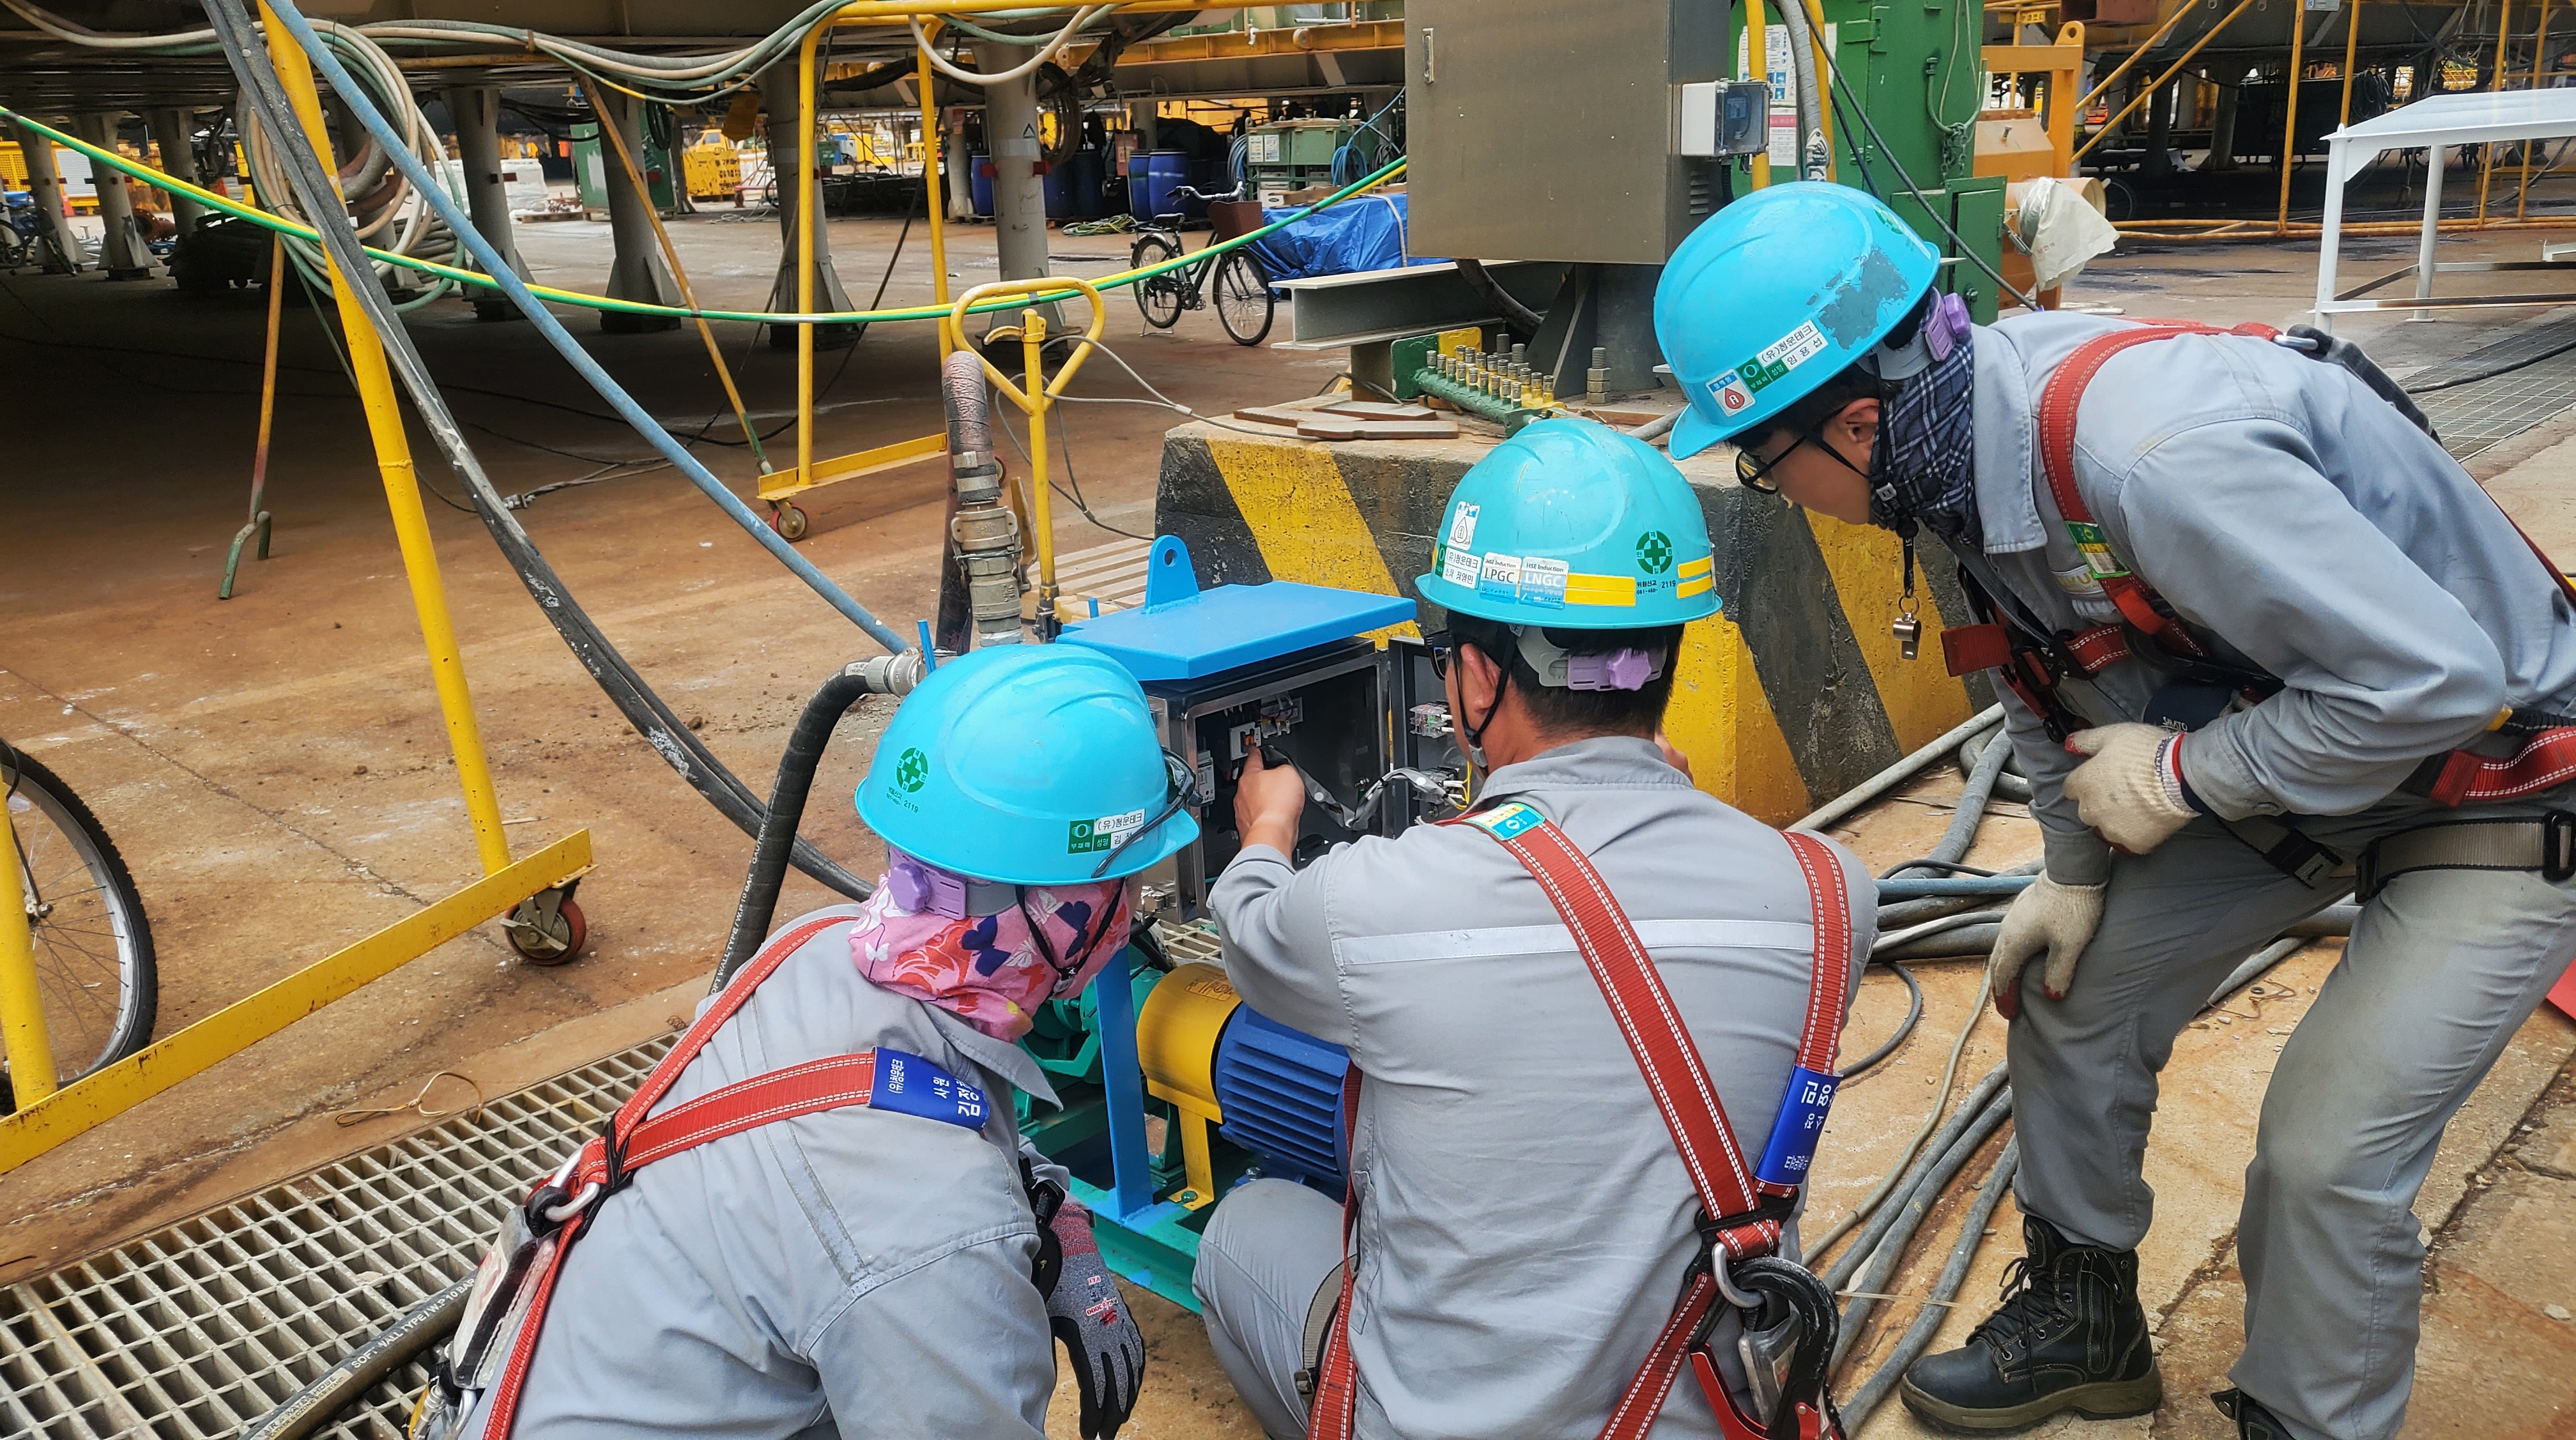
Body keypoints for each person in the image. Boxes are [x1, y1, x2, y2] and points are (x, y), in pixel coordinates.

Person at [1652, 181, 2576, 1440]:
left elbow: (2438, 683)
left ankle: (2307, 1420)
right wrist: (2075, 869)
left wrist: (2186, 781)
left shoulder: (2148, 455)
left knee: (2322, 1157)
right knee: (2064, 995)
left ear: (1854, 426)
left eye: (1765, 461)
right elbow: (2042, 676)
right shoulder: (1955, 452)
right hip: (2308, 760)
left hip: (2495, 783)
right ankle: (2088, 1325)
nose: (1777, 485)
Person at [1192, 418, 1876, 1440]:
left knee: (1242, 1228)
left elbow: (1244, 936)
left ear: (1474, 677)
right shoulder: (1835, 895)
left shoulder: (1367, 900)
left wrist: (1266, 830)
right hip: (1691, 1408)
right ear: (1669, 655)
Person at [424, 643, 1192, 1440]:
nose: (1133, 910)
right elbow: (909, 1207)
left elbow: (918, 1101)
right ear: (1066, 908)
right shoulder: (931, 1236)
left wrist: (1047, 1206)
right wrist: (989, 1240)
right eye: (1126, 884)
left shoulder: (813, 947)